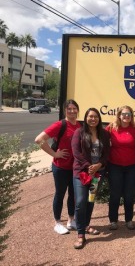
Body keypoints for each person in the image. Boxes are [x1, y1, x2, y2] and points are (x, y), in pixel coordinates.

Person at [35, 99, 81, 235]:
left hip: (75, 167)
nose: (72, 111)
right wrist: (54, 153)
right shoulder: (60, 125)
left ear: (78, 110)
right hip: (60, 167)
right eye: (69, 109)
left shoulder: (79, 125)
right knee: (60, 194)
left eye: (74, 108)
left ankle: (71, 220)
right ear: (65, 110)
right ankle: (57, 223)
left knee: (73, 194)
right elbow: (39, 139)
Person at [71, 108, 110, 249]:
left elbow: (107, 154)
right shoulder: (79, 133)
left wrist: (99, 165)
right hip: (81, 173)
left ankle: (86, 225)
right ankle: (81, 234)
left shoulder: (104, 134)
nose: (93, 119)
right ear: (86, 118)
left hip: (97, 174)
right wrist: (90, 166)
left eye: (95, 117)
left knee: (90, 200)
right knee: (81, 201)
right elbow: (76, 153)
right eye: (90, 116)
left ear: (99, 119)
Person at [106, 106, 135, 231]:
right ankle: (113, 220)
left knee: (129, 194)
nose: (126, 116)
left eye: (129, 114)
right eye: (124, 114)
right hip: (115, 166)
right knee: (115, 194)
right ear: (119, 115)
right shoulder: (111, 128)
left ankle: (129, 220)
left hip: (132, 166)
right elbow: (100, 140)